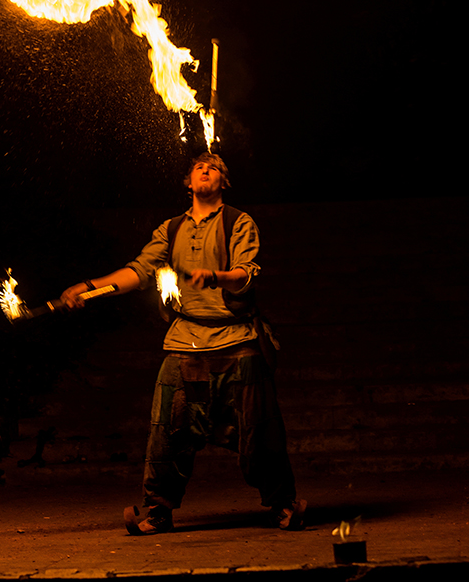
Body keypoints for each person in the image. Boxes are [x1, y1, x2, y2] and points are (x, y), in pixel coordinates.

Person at [61, 153, 306, 535]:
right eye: (199, 168)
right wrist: (90, 288)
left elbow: (246, 274)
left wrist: (216, 276)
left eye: (215, 168)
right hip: (184, 343)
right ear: (188, 183)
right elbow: (139, 272)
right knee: (168, 432)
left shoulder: (238, 222)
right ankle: (158, 511)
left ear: (224, 182)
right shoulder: (171, 229)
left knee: (260, 431)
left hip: (237, 341)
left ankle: (282, 505)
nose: (206, 170)